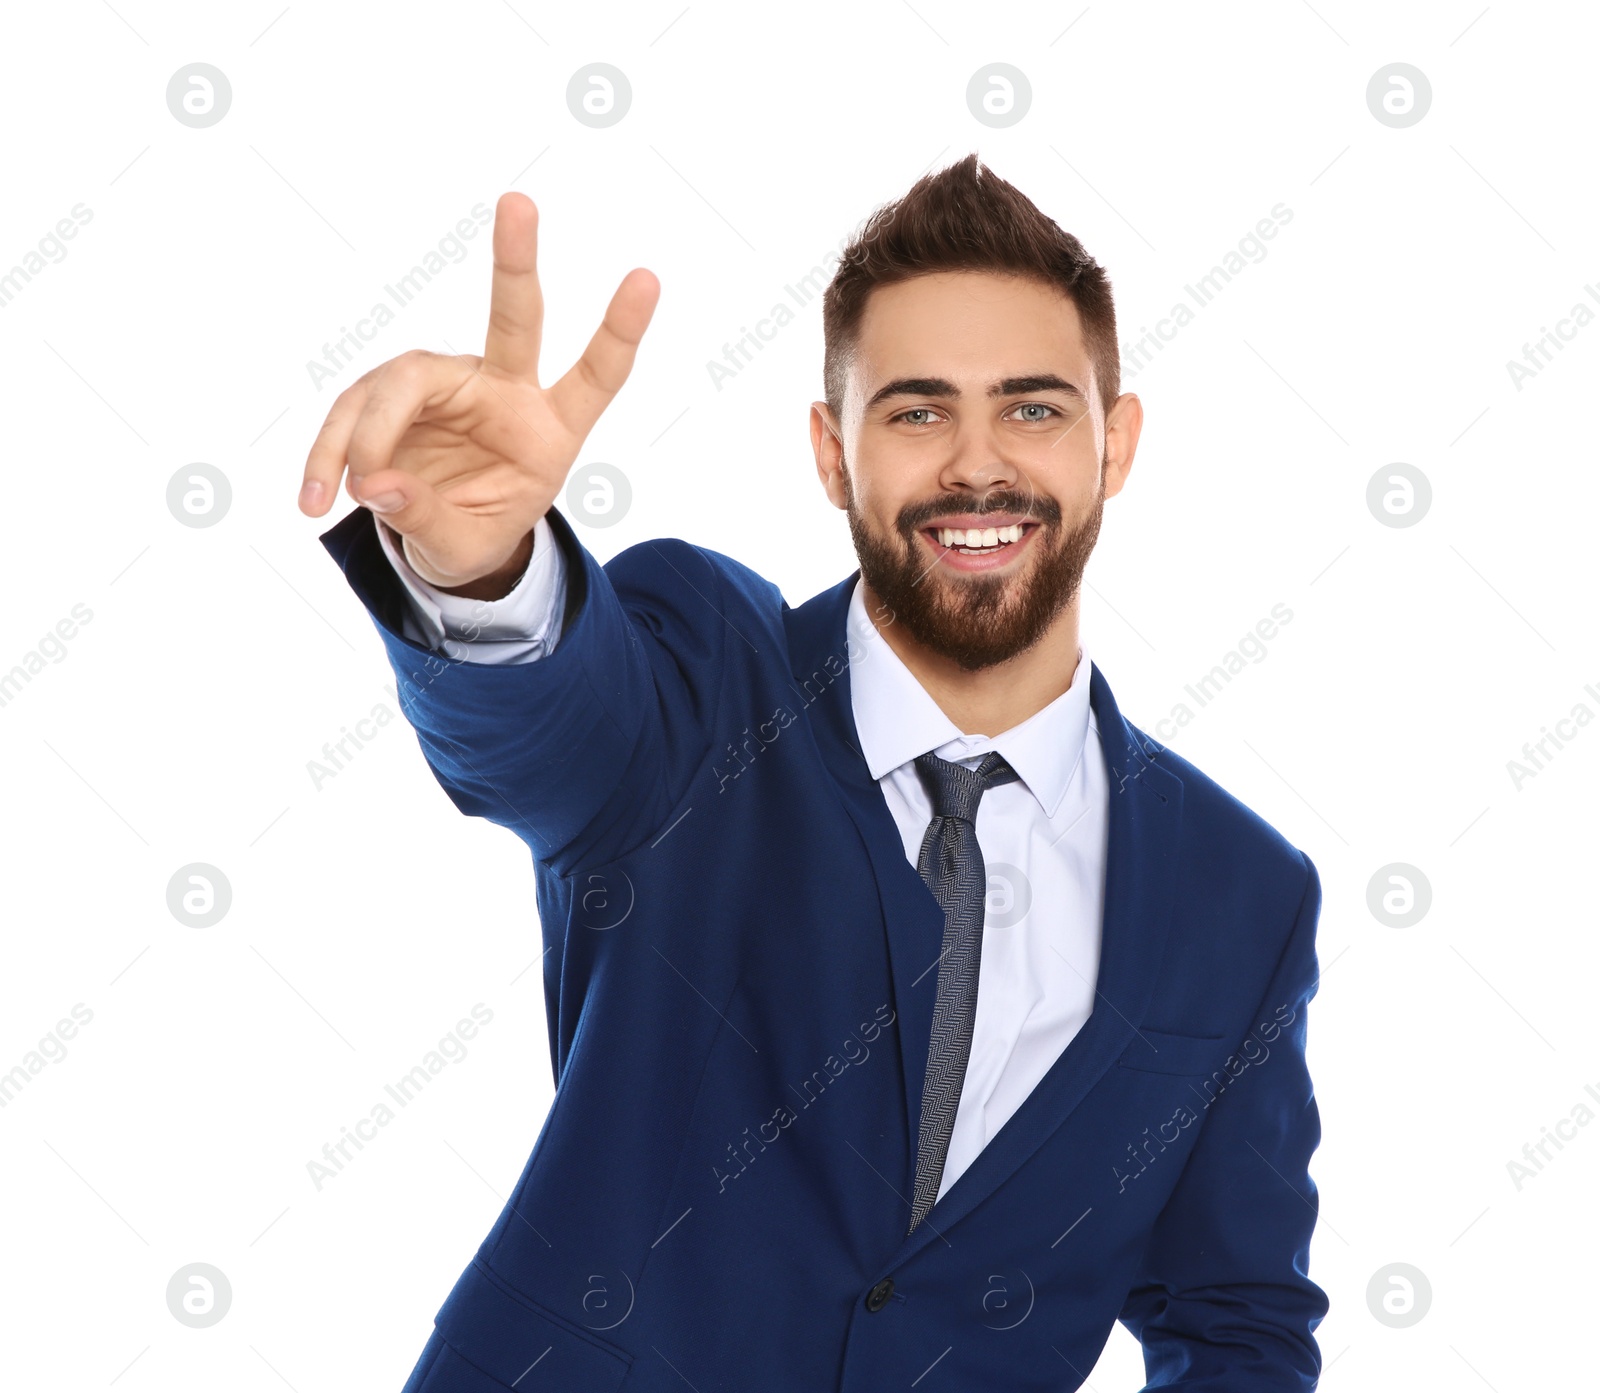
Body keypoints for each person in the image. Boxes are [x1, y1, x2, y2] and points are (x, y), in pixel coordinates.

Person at [301, 153, 1328, 1393]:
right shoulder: (705, 686)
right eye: (915, 410)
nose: (975, 464)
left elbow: (1237, 1322)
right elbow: (548, 732)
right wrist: (484, 568)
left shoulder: (1240, 893)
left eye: (1034, 407)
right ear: (832, 454)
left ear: (1115, 446)